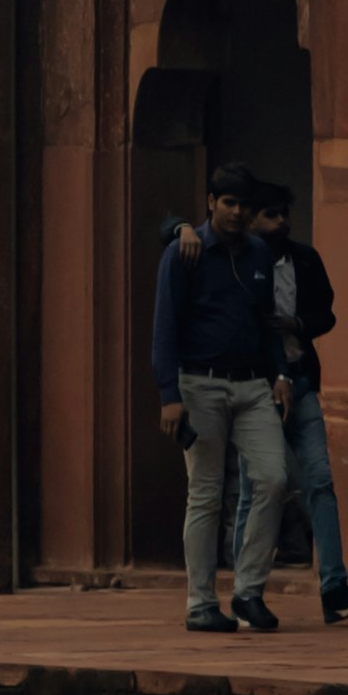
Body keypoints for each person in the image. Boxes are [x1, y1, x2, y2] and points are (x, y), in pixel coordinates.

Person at [151, 149, 287, 634]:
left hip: (252, 384)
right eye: (228, 202)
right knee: (205, 493)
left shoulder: (257, 255)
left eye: (243, 205)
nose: (236, 211)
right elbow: (164, 326)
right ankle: (200, 602)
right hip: (199, 383)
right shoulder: (184, 251)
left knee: (273, 477)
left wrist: (280, 375)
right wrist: (170, 393)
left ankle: (248, 592)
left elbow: (266, 321)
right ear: (211, 202)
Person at [250, 171, 348, 628]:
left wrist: (297, 324)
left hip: (301, 381)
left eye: (284, 214)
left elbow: (327, 312)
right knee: (261, 488)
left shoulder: (303, 259)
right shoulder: (243, 263)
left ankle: (333, 588)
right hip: (257, 388)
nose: (280, 222)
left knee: (319, 480)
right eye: (270, 214)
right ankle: (249, 592)